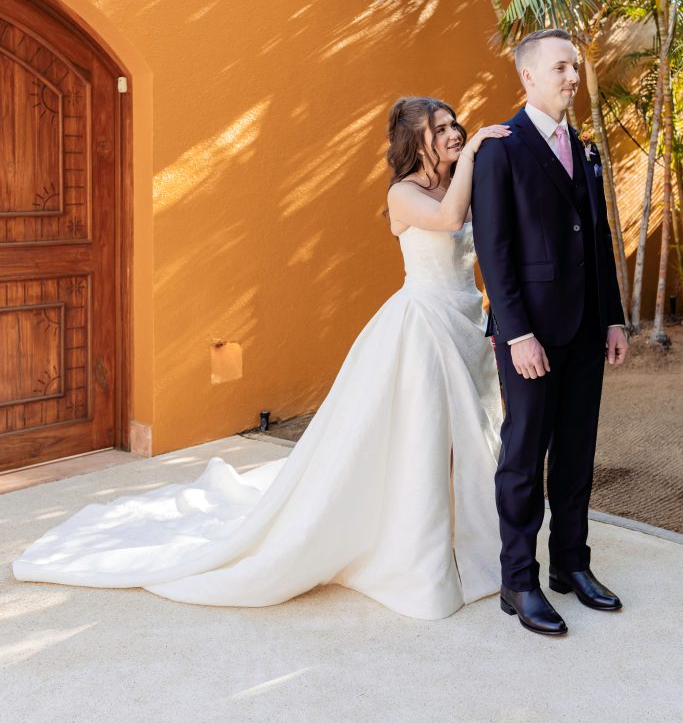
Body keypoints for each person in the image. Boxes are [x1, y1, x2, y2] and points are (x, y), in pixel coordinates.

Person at [13, 98, 509, 621]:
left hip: (465, 319)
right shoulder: (403, 193)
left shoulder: (460, 183)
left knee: (471, 434)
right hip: (422, 325)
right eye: (440, 128)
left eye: (455, 125)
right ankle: (424, 548)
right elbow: (448, 219)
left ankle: (472, 535)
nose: (455, 133)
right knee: (426, 434)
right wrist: (477, 150)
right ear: (416, 140)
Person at [471, 28, 629, 638]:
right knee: (523, 455)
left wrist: (612, 316)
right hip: (530, 336)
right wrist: (517, 334)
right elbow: (494, 251)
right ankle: (518, 580)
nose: (572, 77)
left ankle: (571, 564)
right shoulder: (501, 150)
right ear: (528, 76)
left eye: (575, 66)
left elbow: (599, 239)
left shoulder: (584, 149)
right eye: (561, 67)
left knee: (576, 452)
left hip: (586, 330)